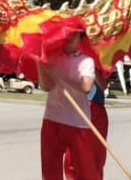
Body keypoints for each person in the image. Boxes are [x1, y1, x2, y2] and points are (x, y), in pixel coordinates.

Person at [37, 30, 99, 180]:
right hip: (52, 118)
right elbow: (46, 87)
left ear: (80, 38)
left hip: (78, 122)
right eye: (68, 33)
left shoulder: (86, 61)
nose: (70, 37)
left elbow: (86, 87)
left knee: (84, 171)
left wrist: (59, 75)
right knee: (50, 170)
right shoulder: (51, 58)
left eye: (75, 34)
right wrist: (39, 63)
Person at [64, 69, 109, 179]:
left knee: (95, 154)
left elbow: (103, 85)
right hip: (76, 108)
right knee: (73, 156)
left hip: (95, 109)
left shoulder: (99, 62)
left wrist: (94, 69)